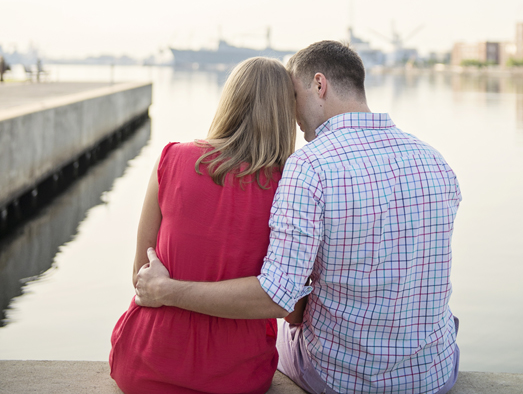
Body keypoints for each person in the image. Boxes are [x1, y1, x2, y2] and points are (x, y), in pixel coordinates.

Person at [135, 40, 462, 394]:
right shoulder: (435, 161)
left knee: (284, 331)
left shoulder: (311, 166)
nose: (291, 113)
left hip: (342, 380)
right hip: (434, 375)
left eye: (294, 96)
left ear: (319, 85)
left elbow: (279, 297)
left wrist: (168, 291)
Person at [109, 56, 296, 394]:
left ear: (229, 100)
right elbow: (292, 310)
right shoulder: (290, 187)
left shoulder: (171, 159)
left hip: (145, 364)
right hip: (237, 376)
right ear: (286, 115)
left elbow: (141, 274)